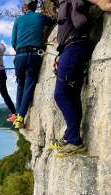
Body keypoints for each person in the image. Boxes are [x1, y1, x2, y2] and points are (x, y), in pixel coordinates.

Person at [51, 0, 111, 157]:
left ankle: (74, 141)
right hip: (72, 48)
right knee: (72, 95)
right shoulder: (64, 4)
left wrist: (103, 4)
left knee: (61, 94)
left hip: (74, 47)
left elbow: (100, 2)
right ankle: (70, 136)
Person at [12, 0, 55, 129]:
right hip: (35, 54)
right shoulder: (40, 17)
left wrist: (21, 50)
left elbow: (13, 42)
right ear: (36, 6)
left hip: (20, 55)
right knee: (29, 84)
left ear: (25, 7)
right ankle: (21, 117)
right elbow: (52, 21)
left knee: (20, 84)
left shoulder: (18, 20)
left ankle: (17, 113)